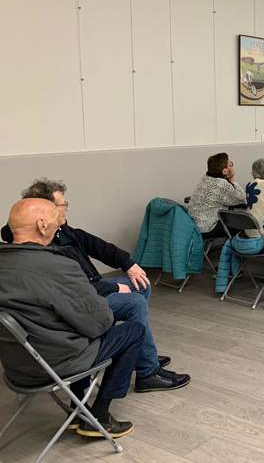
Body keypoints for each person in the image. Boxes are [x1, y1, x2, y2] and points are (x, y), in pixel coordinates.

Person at [1, 179, 190, 393]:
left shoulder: (60, 232)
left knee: (141, 285)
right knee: (134, 303)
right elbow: (77, 294)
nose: (66, 208)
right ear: (43, 216)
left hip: (89, 290)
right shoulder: (45, 249)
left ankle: (142, 354)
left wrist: (128, 263)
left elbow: (95, 245)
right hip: (87, 297)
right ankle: (147, 371)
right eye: (62, 205)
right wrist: (115, 289)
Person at [0, 199, 144, 438]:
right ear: (42, 225)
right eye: (56, 222)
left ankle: (77, 410)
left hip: (17, 366)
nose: (59, 227)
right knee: (133, 331)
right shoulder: (57, 266)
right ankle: (99, 416)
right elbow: (100, 322)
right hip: (56, 363)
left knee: (75, 329)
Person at [188, 152, 246, 236]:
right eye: (230, 165)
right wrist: (232, 178)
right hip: (206, 228)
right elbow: (241, 198)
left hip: (193, 225)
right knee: (241, 223)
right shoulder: (220, 184)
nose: (232, 166)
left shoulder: (206, 178)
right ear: (225, 171)